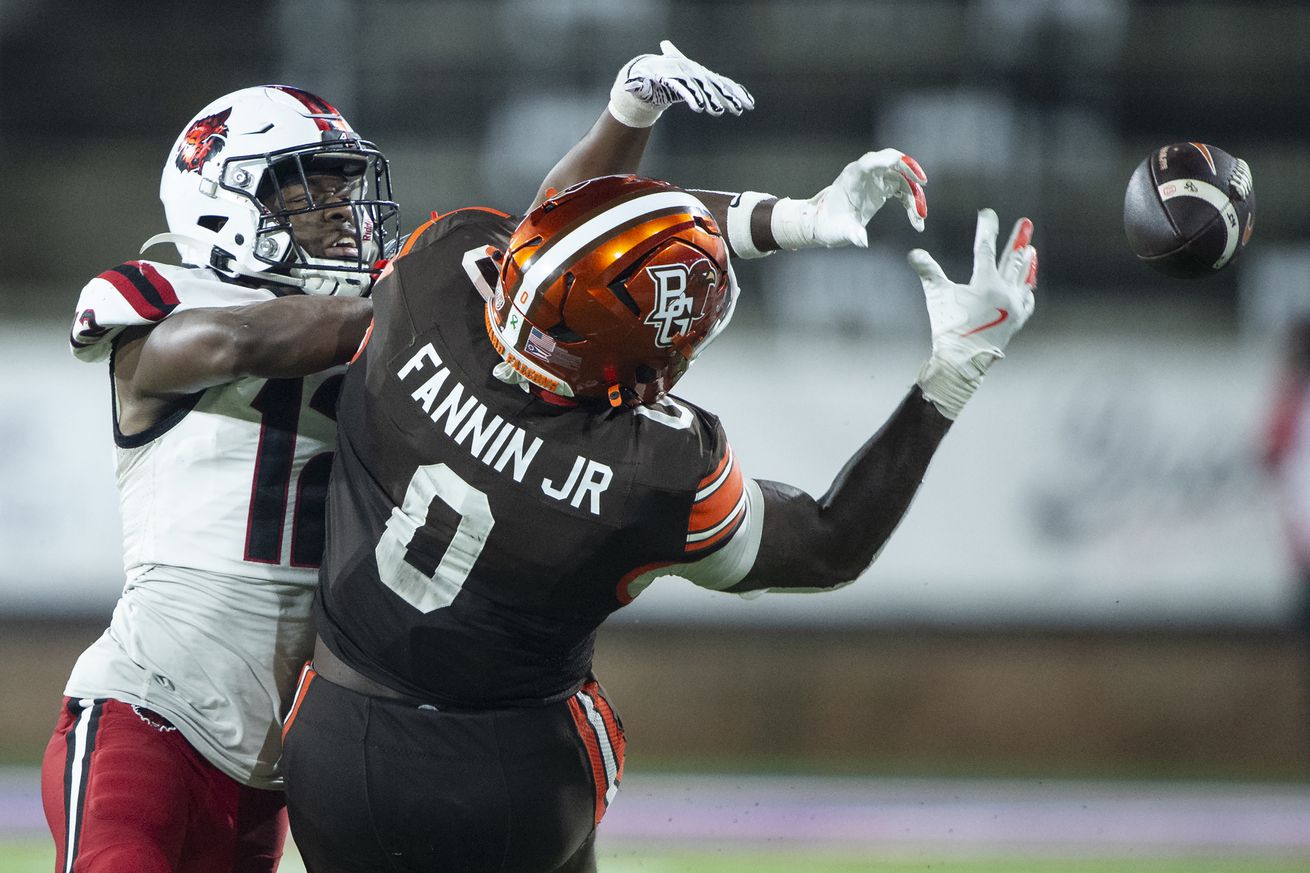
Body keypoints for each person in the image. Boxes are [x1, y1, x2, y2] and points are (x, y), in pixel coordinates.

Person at [40, 41, 924, 873]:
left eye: (348, 189)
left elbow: (559, 247)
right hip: (149, 709)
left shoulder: (409, 296)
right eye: (310, 192)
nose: (343, 211)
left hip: (279, 756)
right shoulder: (158, 311)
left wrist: (642, 132)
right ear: (218, 198)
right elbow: (237, 342)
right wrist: (445, 309)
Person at [278, 143, 1034, 873]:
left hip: (339, 747)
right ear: (637, 366)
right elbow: (830, 542)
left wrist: (794, 218)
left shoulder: (433, 280)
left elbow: (572, 224)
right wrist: (952, 373)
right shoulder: (657, 471)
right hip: (511, 777)